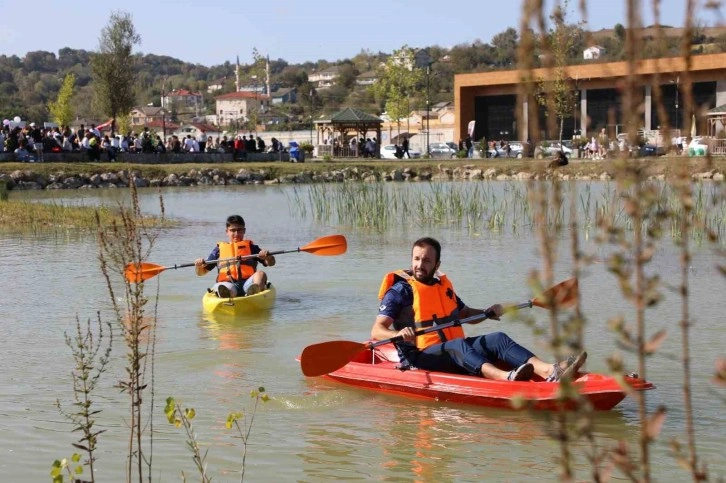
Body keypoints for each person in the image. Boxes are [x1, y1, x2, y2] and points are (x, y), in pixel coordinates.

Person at [371, 237, 586, 381]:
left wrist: (487, 313)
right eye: (416, 259)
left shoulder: (441, 287)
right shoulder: (400, 291)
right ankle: (505, 377)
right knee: (457, 346)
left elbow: (464, 315)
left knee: (497, 338)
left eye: (426, 260)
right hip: (418, 357)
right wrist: (398, 333)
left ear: (436, 265)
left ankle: (549, 370)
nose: (419, 265)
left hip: (449, 352)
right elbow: (377, 331)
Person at [194, 215, 276, 298]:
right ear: (227, 232)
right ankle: (228, 295)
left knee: (261, 274)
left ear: (244, 231)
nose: (236, 234)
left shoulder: (252, 248)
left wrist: (268, 257)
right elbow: (201, 272)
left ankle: (253, 293)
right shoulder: (218, 251)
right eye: (232, 230)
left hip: (248, 283)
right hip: (228, 284)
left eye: (239, 230)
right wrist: (198, 266)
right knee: (223, 287)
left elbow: (271, 263)